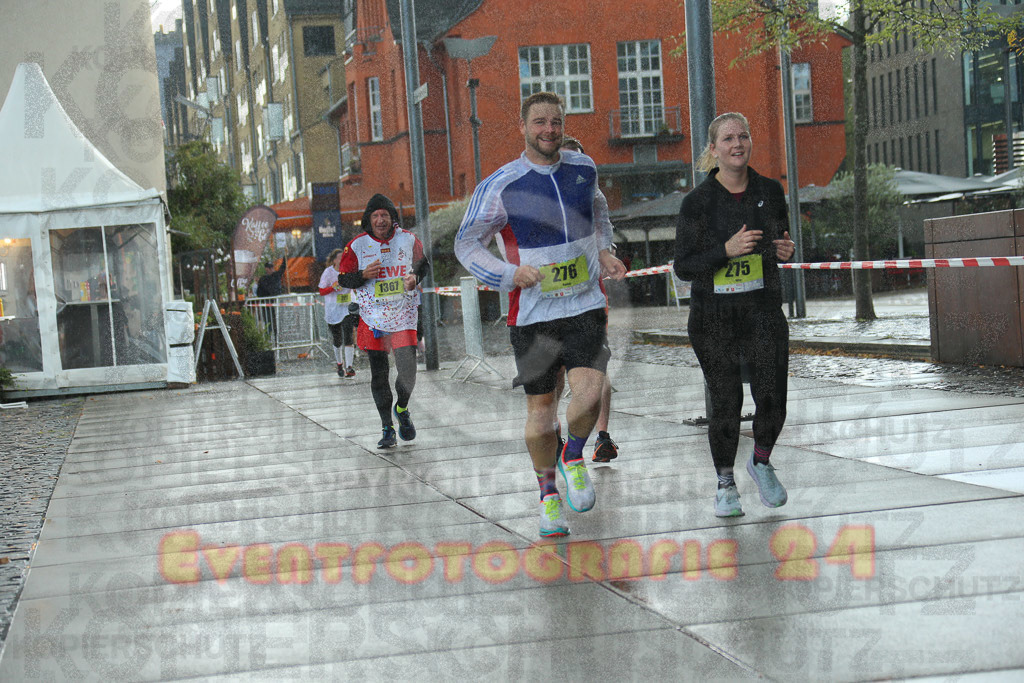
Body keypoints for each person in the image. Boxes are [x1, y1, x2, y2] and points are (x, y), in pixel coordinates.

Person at [455, 92, 627, 538]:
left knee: (589, 395)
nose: (548, 130)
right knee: (542, 409)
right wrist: (509, 274)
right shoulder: (500, 184)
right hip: (532, 314)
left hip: (585, 304)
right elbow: (466, 244)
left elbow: (601, 212)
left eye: (555, 121)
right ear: (523, 127)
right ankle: (548, 496)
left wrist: (605, 250)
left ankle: (573, 455)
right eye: (539, 123)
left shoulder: (584, 169)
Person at [673, 112, 796, 518]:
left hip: (762, 312)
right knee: (726, 401)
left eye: (743, 136)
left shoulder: (770, 191)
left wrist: (784, 249)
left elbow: (781, 238)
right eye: (727, 139)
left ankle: (760, 461)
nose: (737, 144)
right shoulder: (697, 203)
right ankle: (725, 484)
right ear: (714, 150)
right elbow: (684, 266)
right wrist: (725, 251)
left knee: (772, 398)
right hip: (714, 320)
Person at [338, 194, 428, 449]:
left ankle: (402, 408)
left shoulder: (408, 240)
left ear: (392, 219)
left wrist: (415, 278)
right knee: (379, 374)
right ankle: (387, 428)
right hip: (371, 317)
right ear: (369, 219)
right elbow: (343, 279)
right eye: (375, 216)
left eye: (385, 215)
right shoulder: (356, 245)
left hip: (403, 315)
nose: (380, 220)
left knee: (407, 372)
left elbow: (424, 265)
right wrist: (362, 275)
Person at [558, 135, 618, 464]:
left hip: (589, 295)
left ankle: (602, 436)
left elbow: (604, 229)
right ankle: (554, 431)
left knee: (598, 365)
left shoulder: (592, 195)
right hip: (549, 300)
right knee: (554, 368)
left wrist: (606, 255)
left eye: (579, 161)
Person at [318, 248, 357, 378]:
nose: (342, 259)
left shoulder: (349, 270)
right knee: (337, 339)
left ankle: (349, 367)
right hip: (333, 309)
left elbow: (355, 284)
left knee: (348, 335)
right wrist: (333, 287)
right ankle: (339, 363)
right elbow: (321, 291)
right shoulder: (328, 272)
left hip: (346, 307)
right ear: (334, 260)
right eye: (340, 257)